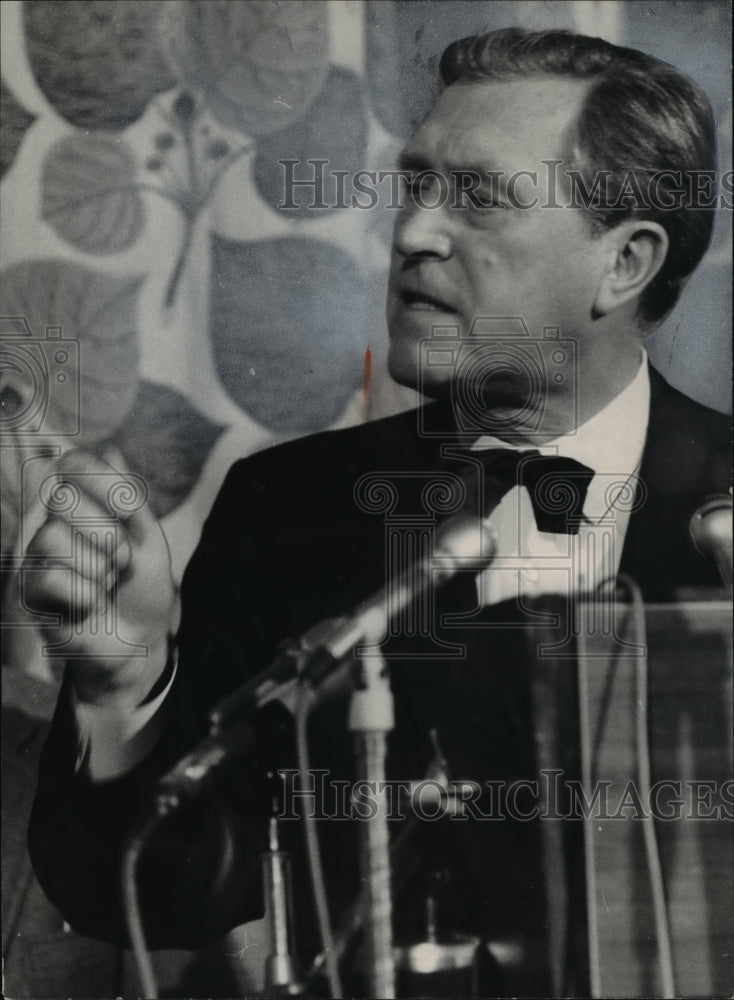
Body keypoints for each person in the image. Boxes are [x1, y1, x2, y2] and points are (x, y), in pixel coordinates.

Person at [26, 28, 729, 996]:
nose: (409, 236)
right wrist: (122, 680)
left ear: (623, 263)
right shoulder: (289, 507)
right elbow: (157, 896)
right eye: (414, 186)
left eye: (478, 196)